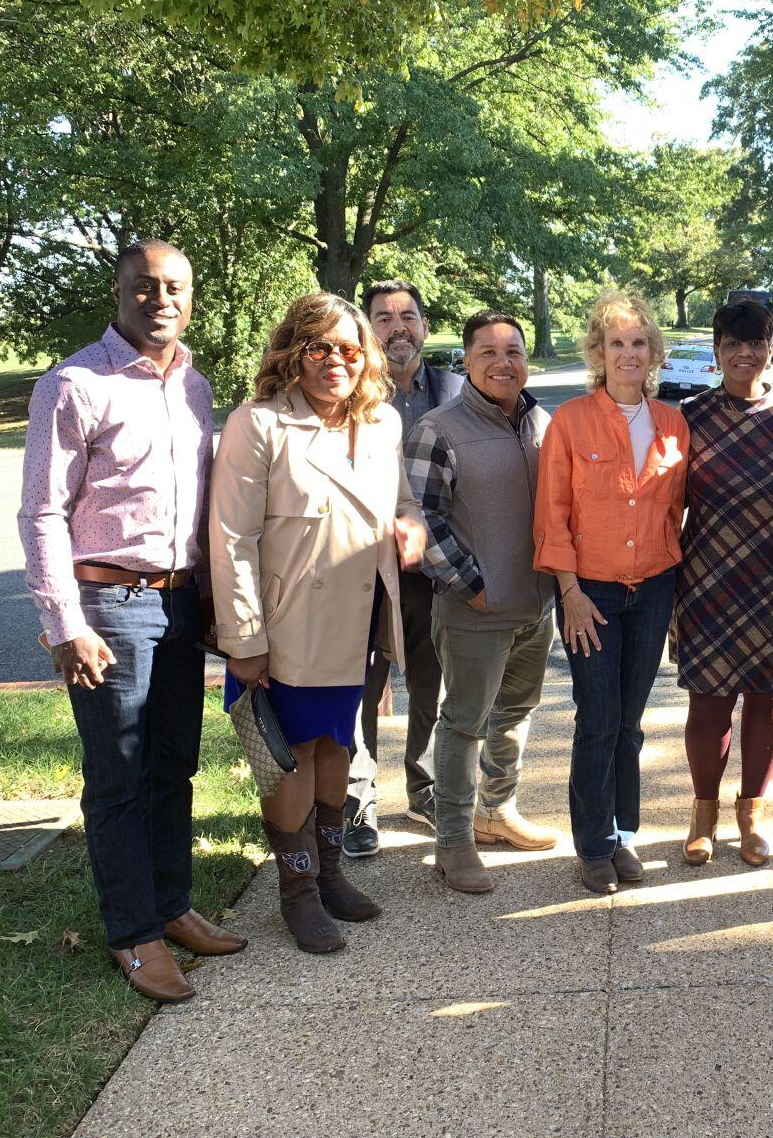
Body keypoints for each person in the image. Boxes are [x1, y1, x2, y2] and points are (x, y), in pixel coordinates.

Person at [18, 238, 246, 1002]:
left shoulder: (196, 387)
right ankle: (133, 932)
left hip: (180, 602)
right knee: (118, 775)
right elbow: (42, 512)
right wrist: (64, 623)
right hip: (108, 606)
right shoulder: (74, 384)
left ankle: (172, 904)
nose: (161, 299)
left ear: (192, 297)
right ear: (118, 292)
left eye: (175, 287)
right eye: (145, 286)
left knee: (174, 764)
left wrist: (209, 602)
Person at [209, 292, 426, 954]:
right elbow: (231, 539)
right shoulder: (259, 423)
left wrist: (411, 524)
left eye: (349, 349)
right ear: (293, 353)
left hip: (359, 617)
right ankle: (297, 891)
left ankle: (330, 874)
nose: (336, 361)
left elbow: (402, 499)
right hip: (286, 623)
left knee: (338, 746)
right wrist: (244, 639)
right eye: (320, 347)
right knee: (292, 756)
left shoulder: (382, 422)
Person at [533, 292, 689, 895]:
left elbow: (674, 510)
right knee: (598, 719)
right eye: (616, 342)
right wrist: (568, 591)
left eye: (639, 342)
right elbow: (552, 513)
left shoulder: (672, 423)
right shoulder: (571, 422)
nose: (628, 353)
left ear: (654, 352)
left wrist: (673, 595)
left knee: (630, 721)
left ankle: (625, 834)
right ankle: (593, 845)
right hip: (590, 591)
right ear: (598, 352)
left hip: (653, 588)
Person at [405, 310, 562, 895]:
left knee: (515, 713)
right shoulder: (438, 429)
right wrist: (472, 585)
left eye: (513, 351)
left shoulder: (541, 423)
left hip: (535, 606)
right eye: (488, 352)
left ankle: (497, 810)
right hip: (475, 609)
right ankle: (453, 840)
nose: (503, 362)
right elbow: (421, 518)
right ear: (467, 361)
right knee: (464, 723)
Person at [673, 296, 773, 867]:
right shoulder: (690, 418)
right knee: (709, 700)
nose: (745, 354)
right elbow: (666, 501)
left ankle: (751, 813)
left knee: (766, 696)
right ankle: (703, 814)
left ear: (770, 348)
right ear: (717, 350)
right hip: (707, 576)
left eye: (755, 343)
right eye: (733, 344)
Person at [344, 281, 464, 857]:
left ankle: (425, 788)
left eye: (408, 316)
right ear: (367, 328)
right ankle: (357, 801)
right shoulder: (346, 391)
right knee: (358, 687)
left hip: (431, 571)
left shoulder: (456, 391)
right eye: (384, 317)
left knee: (429, 683)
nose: (398, 328)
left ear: (424, 325)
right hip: (358, 570)